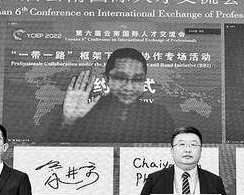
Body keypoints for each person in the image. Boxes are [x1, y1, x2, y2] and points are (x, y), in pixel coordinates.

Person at [43, 47, 175, 143]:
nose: (128, 87)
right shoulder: (85, 111)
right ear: (107, 78)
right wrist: (68, 120)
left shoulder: (159, 116)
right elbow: (49, 154)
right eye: (120, 77)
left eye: (137, 79)